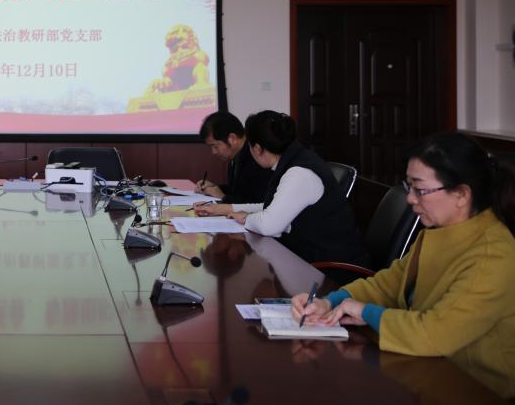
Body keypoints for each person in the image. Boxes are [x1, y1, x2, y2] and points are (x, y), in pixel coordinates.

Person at [292, 134, 515, 399]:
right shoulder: (440, 232)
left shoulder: (493, 255)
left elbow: (434, 334)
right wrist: (331, 302)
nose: (410, 199)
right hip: (428, 368)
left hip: (475, 388)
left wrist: (365, 312)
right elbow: (388, 283)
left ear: (461, 194)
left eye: (420, 189)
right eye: (408, 186)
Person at [195, 110, 368, 267]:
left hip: (332, 269)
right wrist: (225, 209)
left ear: (257, 148)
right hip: (310, 259)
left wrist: (245, 218)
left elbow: (269, 225)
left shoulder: (299, 173)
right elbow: (271, 207)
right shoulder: (292, 160)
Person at [195, 111, 273, 204]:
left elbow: (259, 202)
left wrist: (223, 197)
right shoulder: (235, 154)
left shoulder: (258, 156)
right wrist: (214, 187)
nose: (213, 152)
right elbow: (238, 190)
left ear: (232, 138)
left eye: (215, 146)